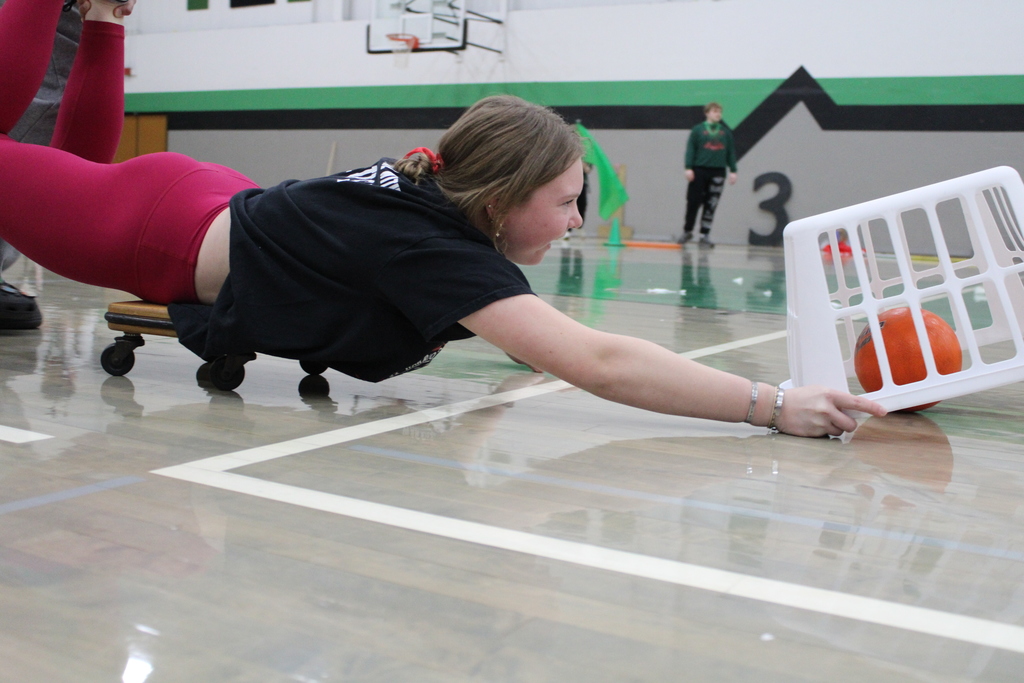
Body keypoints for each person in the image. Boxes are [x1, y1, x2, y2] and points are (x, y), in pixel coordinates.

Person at [0, 0, 886, 437]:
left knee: (72, 165)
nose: (578, 219)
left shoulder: (443, 221)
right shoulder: (431, 246)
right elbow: (601, 361)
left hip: (201, 195)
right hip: (150, 226)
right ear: (499, 201)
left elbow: (541, 338)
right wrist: (771, 404)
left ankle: (108, 19)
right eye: (568, 200)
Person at [680, 102, 738, 247]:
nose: (717, 114)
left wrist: (733, 170)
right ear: (707, 113)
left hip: (718, 171)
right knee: (693, 201)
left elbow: (731, 152)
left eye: (719, 111)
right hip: (699, 170)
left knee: (711, 203)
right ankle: (687, 231)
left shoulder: (725, 133)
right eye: (714, 111)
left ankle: (704, 234)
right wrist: (688, 167)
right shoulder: (697, 130)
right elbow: (690, 150)